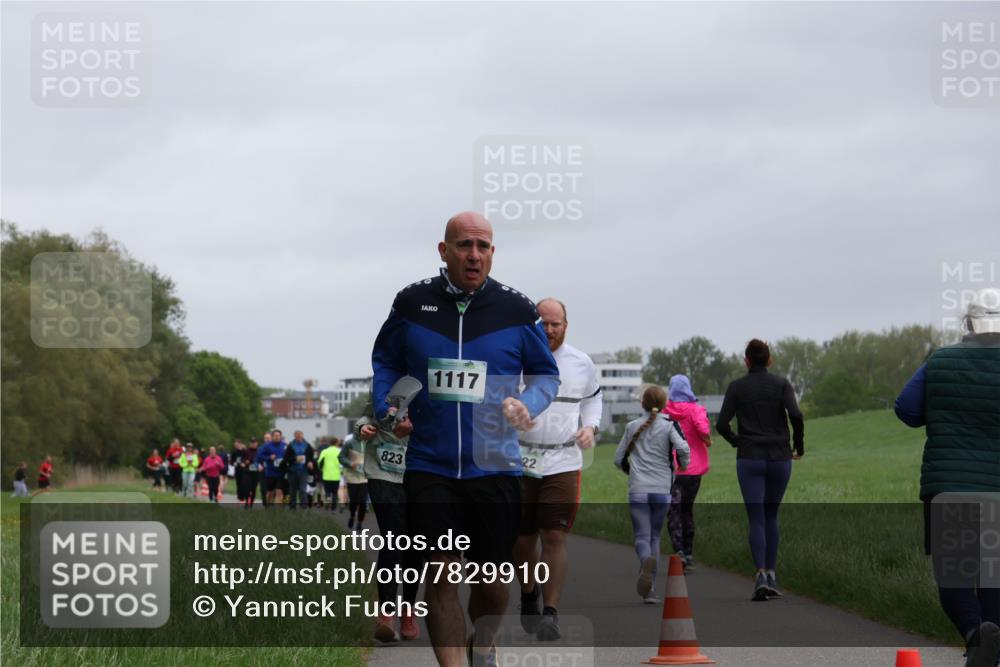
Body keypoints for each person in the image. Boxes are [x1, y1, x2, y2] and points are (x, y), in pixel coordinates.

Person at [371, 212, 560, 667]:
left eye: (483, 247)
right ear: (444, 250)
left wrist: (527, 404)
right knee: (440, 572)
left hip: (495, 465)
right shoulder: (412, 303)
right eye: (464, 246)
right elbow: (386, 363)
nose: (474, 255)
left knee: (493, 582)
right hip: (429, 466)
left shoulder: (516, 310)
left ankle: (484, 641)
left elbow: (544, 375)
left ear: (493, 253)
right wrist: (390, 408)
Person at [895, 287, 1000, 667]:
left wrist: (941, 412)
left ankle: (975, 636)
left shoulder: (940, 360)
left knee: (953, 578)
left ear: (969, 322)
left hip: (949, 487)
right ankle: (989, 646)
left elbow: (906, 409)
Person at [513, 298, 602, 641]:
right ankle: (527, 591)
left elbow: (594, 398)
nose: (549, 330)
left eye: (556, 324)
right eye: (543, 324)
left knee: (554, 535)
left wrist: (591, 427)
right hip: (520, 459)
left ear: (567, 325)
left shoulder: (581, 363)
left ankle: (551, 612)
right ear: (533, 325)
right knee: (522, 540)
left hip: (564, 459)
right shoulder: (517, 358)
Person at [716, 338, 804, 601]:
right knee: (771, 515)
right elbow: (796, 415)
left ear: (746, 361)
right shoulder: (781, 384)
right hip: (779, 456)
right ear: (769, 360)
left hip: (750, 457)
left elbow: (721, 424)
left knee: (755, 517)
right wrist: (797, 446)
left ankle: (760, 575)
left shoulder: (737, 387)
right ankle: (773, 575)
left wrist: (737, 441)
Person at [614, 385, 690, 603]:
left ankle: (646, 560)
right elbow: (683, 449)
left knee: (641, 537)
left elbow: (618, 459)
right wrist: (682, 466)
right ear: (664, 404)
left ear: (642, 404)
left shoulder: (631, 426)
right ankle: (651, 591)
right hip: (662, 489)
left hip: (638, 489)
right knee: (655, 537)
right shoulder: (669, 425)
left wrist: (631, 473)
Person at [357, 402, 422, 643]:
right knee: (393, 539)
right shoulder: (382, 387)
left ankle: (408, 611)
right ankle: (385, 614)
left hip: (418, 472)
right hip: (382, 472)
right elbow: (364, 417)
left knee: (414, 545)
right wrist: (363, 428)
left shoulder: (427, 384)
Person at [664, 375, 712, 571]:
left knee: (673, 511)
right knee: (687, 509)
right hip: (693, 469)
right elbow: (702, 427)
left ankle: (679, 551)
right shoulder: (696, 409)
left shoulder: (665, 410)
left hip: (672, 469)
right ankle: (689, 553)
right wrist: (706, 438)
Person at [338, 434, 369, 530]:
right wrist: (350, 463)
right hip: (352, 477)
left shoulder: (370, 443)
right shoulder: (349, 442)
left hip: (365, 478)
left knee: (363, 501)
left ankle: (359, 522)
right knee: (353, 502)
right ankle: (352, 515)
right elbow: (341, 457)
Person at [283, 430, 316, 510]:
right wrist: (295, 458)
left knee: (302, 489)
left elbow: (311, 457)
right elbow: (286, 458)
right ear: (294, 436)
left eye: (300, 436)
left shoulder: (307, 445)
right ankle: (292, 507)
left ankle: (304, 507)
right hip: (292, 471)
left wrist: (310, 462)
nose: (298, 438)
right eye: (297, 436)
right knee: (292, 490)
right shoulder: (290, 446)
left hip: (303, 471)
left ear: (302, 436)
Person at [256, 430, 286, 508]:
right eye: (275, 436)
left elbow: (289, 456)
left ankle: (278, 509)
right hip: (270, 472)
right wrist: (269, 457)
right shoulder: (267, 446)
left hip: (280, 472)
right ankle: (268, 507)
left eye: (278, 435)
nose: (277, 437)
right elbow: (259, 456)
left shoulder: (285, 445)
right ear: (272, 437)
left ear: (280, 436)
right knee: (270, 492)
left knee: (279, 491)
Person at [317, 437, 343, 511]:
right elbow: (342, 463)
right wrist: (341, 470)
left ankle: (328, 498)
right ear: (337, 443)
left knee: (327, 491)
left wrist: (321, 469)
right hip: (336, 475)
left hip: (326, 475)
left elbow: (319, 462)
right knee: (335, 493)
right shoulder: (339, 451)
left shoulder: (325, 451)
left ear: (329, 443)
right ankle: (333, 509)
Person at [240, 438, 260, 509]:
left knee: (253, 489)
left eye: (254, 443)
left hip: (256, 472)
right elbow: (241, 459)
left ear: (257, 443)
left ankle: (251, 504)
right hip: (247, 472)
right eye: (252, 443)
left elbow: (261, 460)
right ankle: (246, 502)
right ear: (249, 443)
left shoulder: (259, 451)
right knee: (246, 488)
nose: (253, 444)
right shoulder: (246, 451)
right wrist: (244, 462)